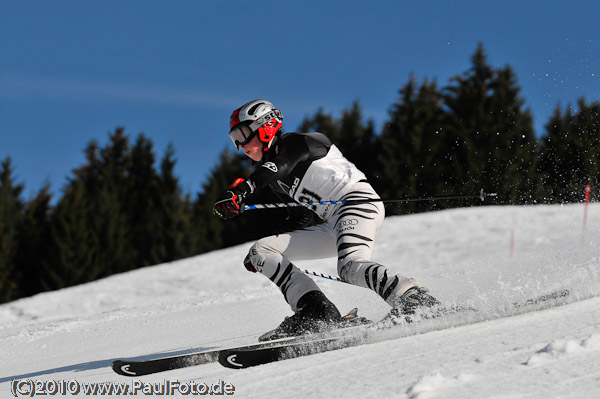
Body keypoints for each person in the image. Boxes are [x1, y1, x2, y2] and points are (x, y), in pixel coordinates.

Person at [213, 99, 438, 340]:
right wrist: (270, 252)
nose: (240, 145)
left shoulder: (301, 143)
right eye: (234, 138)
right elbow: (300, 218)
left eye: (243, 133)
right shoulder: (279, 182)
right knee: (262, 250)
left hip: (356, 203)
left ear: (266, 126)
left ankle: (414, 298)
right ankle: (316, 312)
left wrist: (243, 190)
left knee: (350, 267)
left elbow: (281, 165)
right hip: (332, 222)